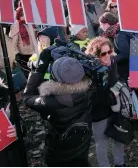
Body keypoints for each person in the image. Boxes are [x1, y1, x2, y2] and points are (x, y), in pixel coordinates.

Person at [23, 57, 93, 167]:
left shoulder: (51, 101)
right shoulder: (88, 88)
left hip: (59, 151)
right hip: (82, 143)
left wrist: (37, 71)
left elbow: (27, 98)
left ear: (55, 77)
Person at [85, 37, 126, 167]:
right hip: (99, 112)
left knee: (119, 137)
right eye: (103, 54)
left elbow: (117, 78)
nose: (108, 56)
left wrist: (121, 85)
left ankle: (120, 164)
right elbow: (91, 98)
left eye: (110, 52)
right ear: (95, 55)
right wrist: (111, 96)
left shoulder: (112, 61)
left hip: (115, 106)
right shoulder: (89, 71)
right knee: (101, 143)